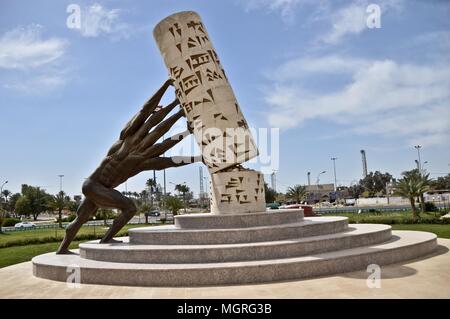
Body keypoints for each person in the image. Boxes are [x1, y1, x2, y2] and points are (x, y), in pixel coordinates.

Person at [57, 79, 201, 254]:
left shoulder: (127, 144)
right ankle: (106, 238)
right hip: (96, 186)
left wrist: (182, 123)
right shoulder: (134, 150)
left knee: (81, 218)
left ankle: (63, 249)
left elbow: (149, 119)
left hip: (92, 185)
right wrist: (175, 105)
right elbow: (149, 118)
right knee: (130, 208)